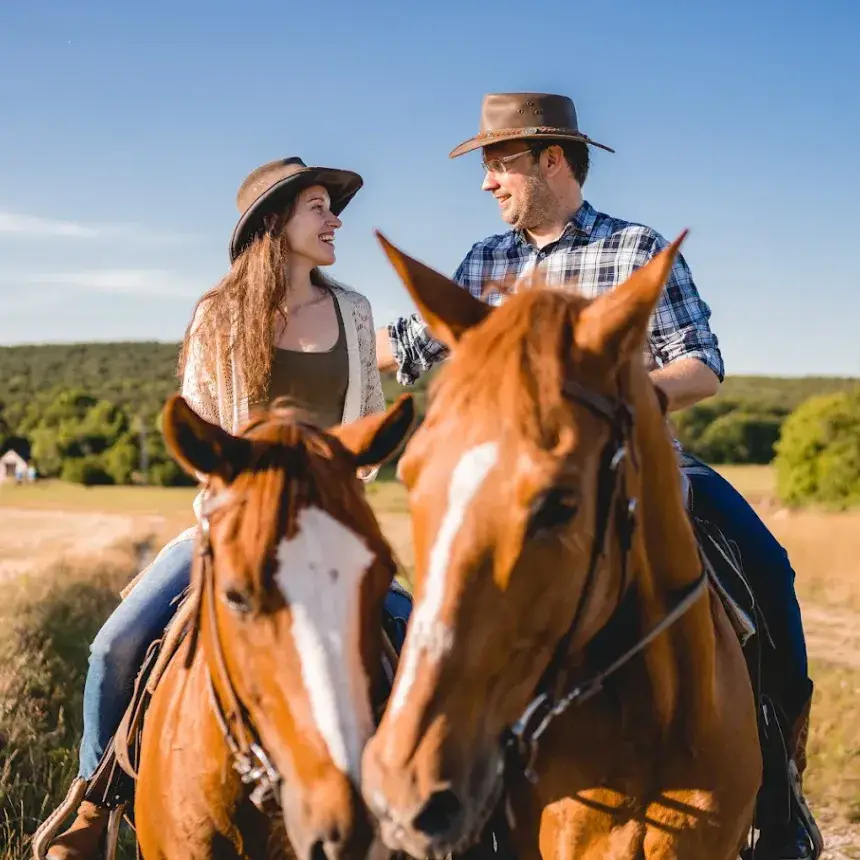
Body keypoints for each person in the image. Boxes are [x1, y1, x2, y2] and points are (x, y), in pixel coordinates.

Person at [375, 92, 821, 860]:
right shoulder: (485, 262)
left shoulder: (635, 246)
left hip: (645, 465)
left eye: (497, 163)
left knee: (768, 575)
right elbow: (412, 345)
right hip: (521, 485)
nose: (486, 182)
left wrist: (635, 396)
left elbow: (702, 363)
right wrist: (307, 312)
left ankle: (779, 793)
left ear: (553, 160)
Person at [40, 157, 412, 860]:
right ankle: (93, 801)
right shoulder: (218, 317)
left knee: (414, 636)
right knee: (114, 645)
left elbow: (364, 423)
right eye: (318, 207)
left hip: (329, 529)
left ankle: (439, 805)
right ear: (274, 223)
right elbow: (205, 427)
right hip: (236, 523)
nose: (336, 221)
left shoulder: (356, 313)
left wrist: (332, 497)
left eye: (333, 208)